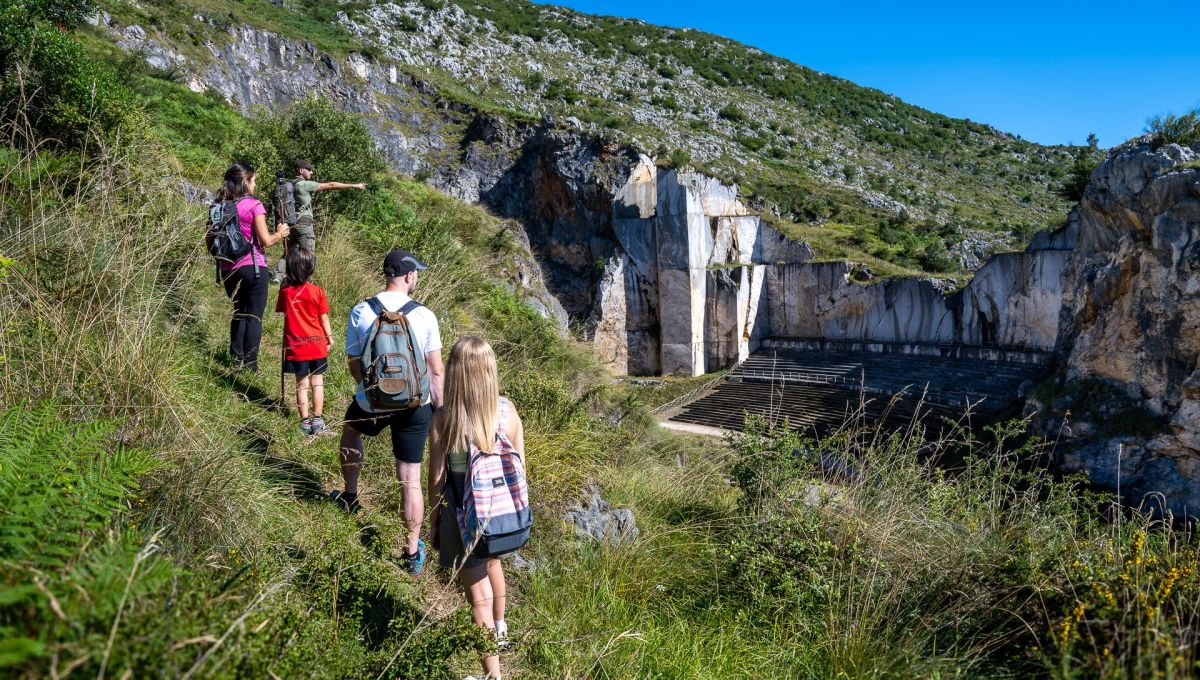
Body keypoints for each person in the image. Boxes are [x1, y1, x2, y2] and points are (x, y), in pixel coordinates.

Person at [333, 249, 444, 577]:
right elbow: (436, 371)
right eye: (416, 273)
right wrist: (441, 409)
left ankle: (350, 496)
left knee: (351, 432)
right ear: (408, 276)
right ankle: (411, 552)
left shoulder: (361, 311)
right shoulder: (424, 315)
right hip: (414, 405)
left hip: (372, 401)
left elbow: (354, 363)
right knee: (410, 479)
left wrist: (370, 394)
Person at [428, 337, 523, 680]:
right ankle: (501, 629)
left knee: (477, 597)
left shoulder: (444, 419)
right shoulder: (507, 411)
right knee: (493, 564)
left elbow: (437, 478)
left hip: (461, 516)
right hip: (499, 511)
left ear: (455, 373)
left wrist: (435, 522)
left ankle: (493, 675)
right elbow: (520, 466)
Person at [215, 162, 290, 372]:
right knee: (254, 316)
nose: (255, 185)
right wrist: (281, 233)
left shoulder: (220, 205)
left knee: (239, 312)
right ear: (245, 181)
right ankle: (250, 364)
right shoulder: (253, 205)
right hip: (253, 266)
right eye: (254, 180)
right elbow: (265, 240)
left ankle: (235, 357)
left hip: (227, 269)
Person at [272, 159, 367, 283]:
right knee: (308, 254)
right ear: (301, 171)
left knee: (289, 251)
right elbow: (331, 185)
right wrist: (354, 185)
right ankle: (306, 282)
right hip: (304, 224)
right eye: (309, 170)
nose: (311, 172)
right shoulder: (303, 185)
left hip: (290, 223)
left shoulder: (287, 185)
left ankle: (277, 276)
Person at [275, 247, 332, 436]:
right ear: (310, 269)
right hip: (316, 344)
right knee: (318, 383)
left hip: (296, 346)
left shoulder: (286, 292)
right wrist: (329, 338)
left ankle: (305, 422)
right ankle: (318, 419)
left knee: (301, 385)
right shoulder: (317, 291)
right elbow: (324, 318)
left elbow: (283, 312)